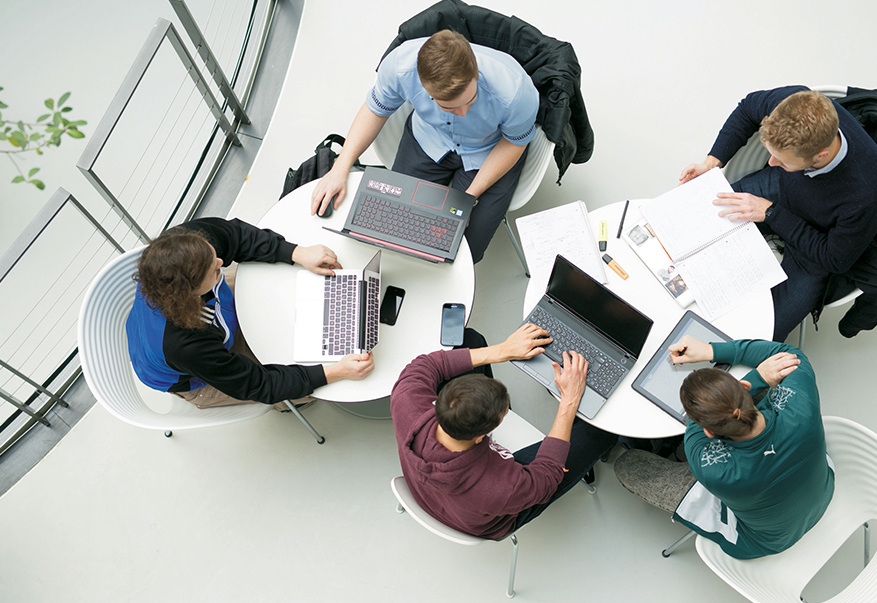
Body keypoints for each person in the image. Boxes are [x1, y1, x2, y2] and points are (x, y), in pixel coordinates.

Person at [679, 86, 877, 340]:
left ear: (820, 155)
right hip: (782, 189)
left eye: (782, 160)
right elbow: (748, 107)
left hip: (817, 240)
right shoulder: (793, 105)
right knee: (691, 227)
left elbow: (835, 259)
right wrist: (711, 164)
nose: (770, 163)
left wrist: (771, 214)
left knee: (761, 333)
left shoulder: (867, 194)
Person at [310, 29, 539, 264]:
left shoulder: (515, 91)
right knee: (394, 224)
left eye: (470, 100)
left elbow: (514, 143)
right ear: (425, 89)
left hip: (489, 151)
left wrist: (467, 199)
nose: (463, 113)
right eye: (449, 107)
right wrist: (341, 167)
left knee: (464, 249)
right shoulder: (401, 67)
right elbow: (375, 110)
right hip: (429, 139)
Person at [614, 337, 834, 559]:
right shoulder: (802, 401)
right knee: (775, 377)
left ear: (709, 432)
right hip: (822, 493)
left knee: (627, 464)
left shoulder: (709, 467)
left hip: (764, 541)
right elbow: (786, 351)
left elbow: (693, 425)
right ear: (745, 387)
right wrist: (713, 351)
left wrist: (755, 379)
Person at [391, 324, 618, 539]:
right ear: (482, 436)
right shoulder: (502, 486)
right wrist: (569, 400)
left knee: (469, 339)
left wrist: (503, 350)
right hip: (489, 519)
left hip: (432, 493)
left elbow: (424, 366)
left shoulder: (406, 401)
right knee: (599, 430)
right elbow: (546, 478)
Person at [126, 217, 374, 408]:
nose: (221, 262)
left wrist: (297, 253)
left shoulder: (184, 245)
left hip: (202, 322)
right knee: (307, 390)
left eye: (214, 256)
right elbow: (258, 384)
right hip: (192, 373)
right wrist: (335, 372)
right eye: (213, 270)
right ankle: (291, 407)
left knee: (285, 284)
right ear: (189, 292)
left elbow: (234, 236)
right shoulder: (185, 344)